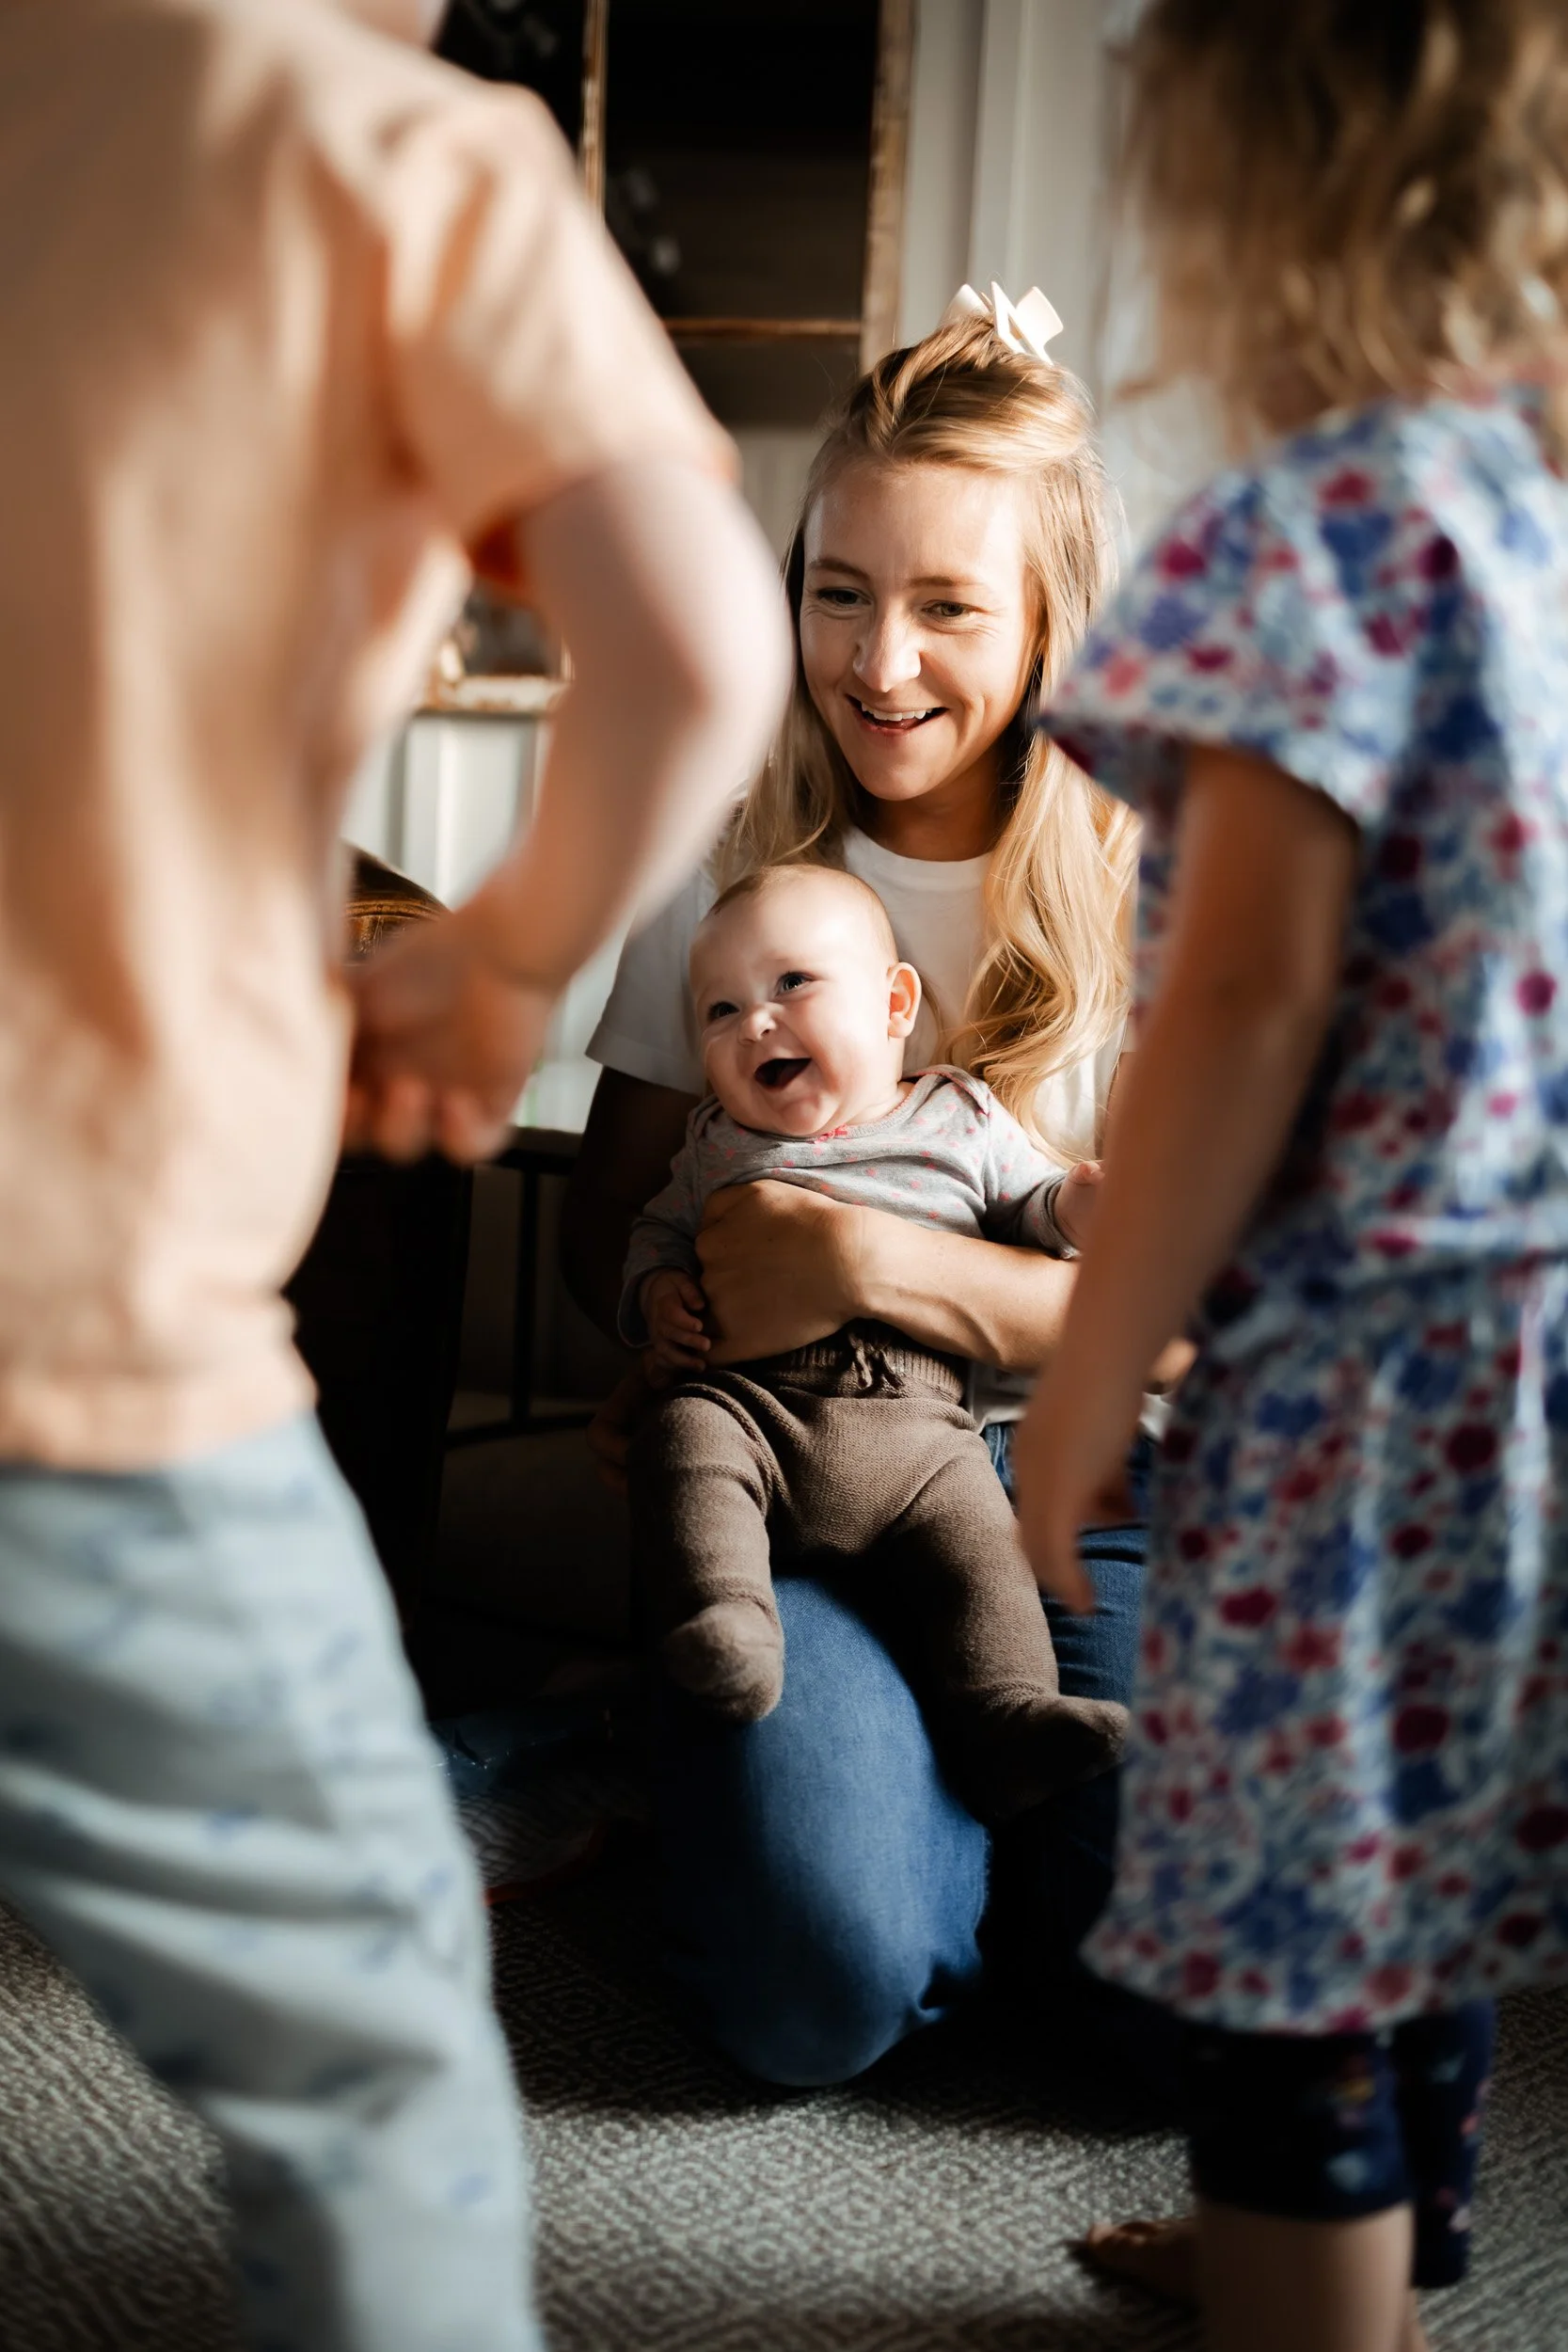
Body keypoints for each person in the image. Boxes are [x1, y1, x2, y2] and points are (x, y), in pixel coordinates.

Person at [0, 4, 787, 2349]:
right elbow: (691, 632)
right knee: (368, 2049)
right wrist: (516, 950)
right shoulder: (390, 153)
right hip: (82, 1324)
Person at [1014, 6, 1568, 2348]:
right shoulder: (1534, 519)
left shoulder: (1311, 523)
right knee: (1408, 1888)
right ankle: (1347, 2269)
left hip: (1355, 1380)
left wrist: (1083, 1384)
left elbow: (1243, 1003)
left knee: (1292, 1955)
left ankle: (1301, 2282)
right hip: (1531, 1354)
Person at [562, 291, 1177, 2088]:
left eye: (947, 606)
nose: (878, 661)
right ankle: (822, 1811)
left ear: (1053, 621)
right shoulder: (734, 866)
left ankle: (869, 1816)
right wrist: (654, 1324)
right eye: (838, 592)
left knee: (1152, 2024)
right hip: (797, 1485)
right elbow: (603, 1216)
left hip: (1088, 1484)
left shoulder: (1170, 886)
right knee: (807, 2003)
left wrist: (866, 1260)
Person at [622, 862, 1122, 1816]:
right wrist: (654, 1296)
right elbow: (652, 1231)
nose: (753, 1023)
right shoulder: (713, 1143)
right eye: (719, 1011)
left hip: (925, 1438)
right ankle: (729, 1619)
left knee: (984, 1547)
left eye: (791, 985)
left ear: (894, 1003)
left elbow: (1029, 1203)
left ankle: (1006, 1709)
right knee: (680, 1441)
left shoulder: (957, 1115)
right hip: (751, 1407)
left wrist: (1078, 1205)